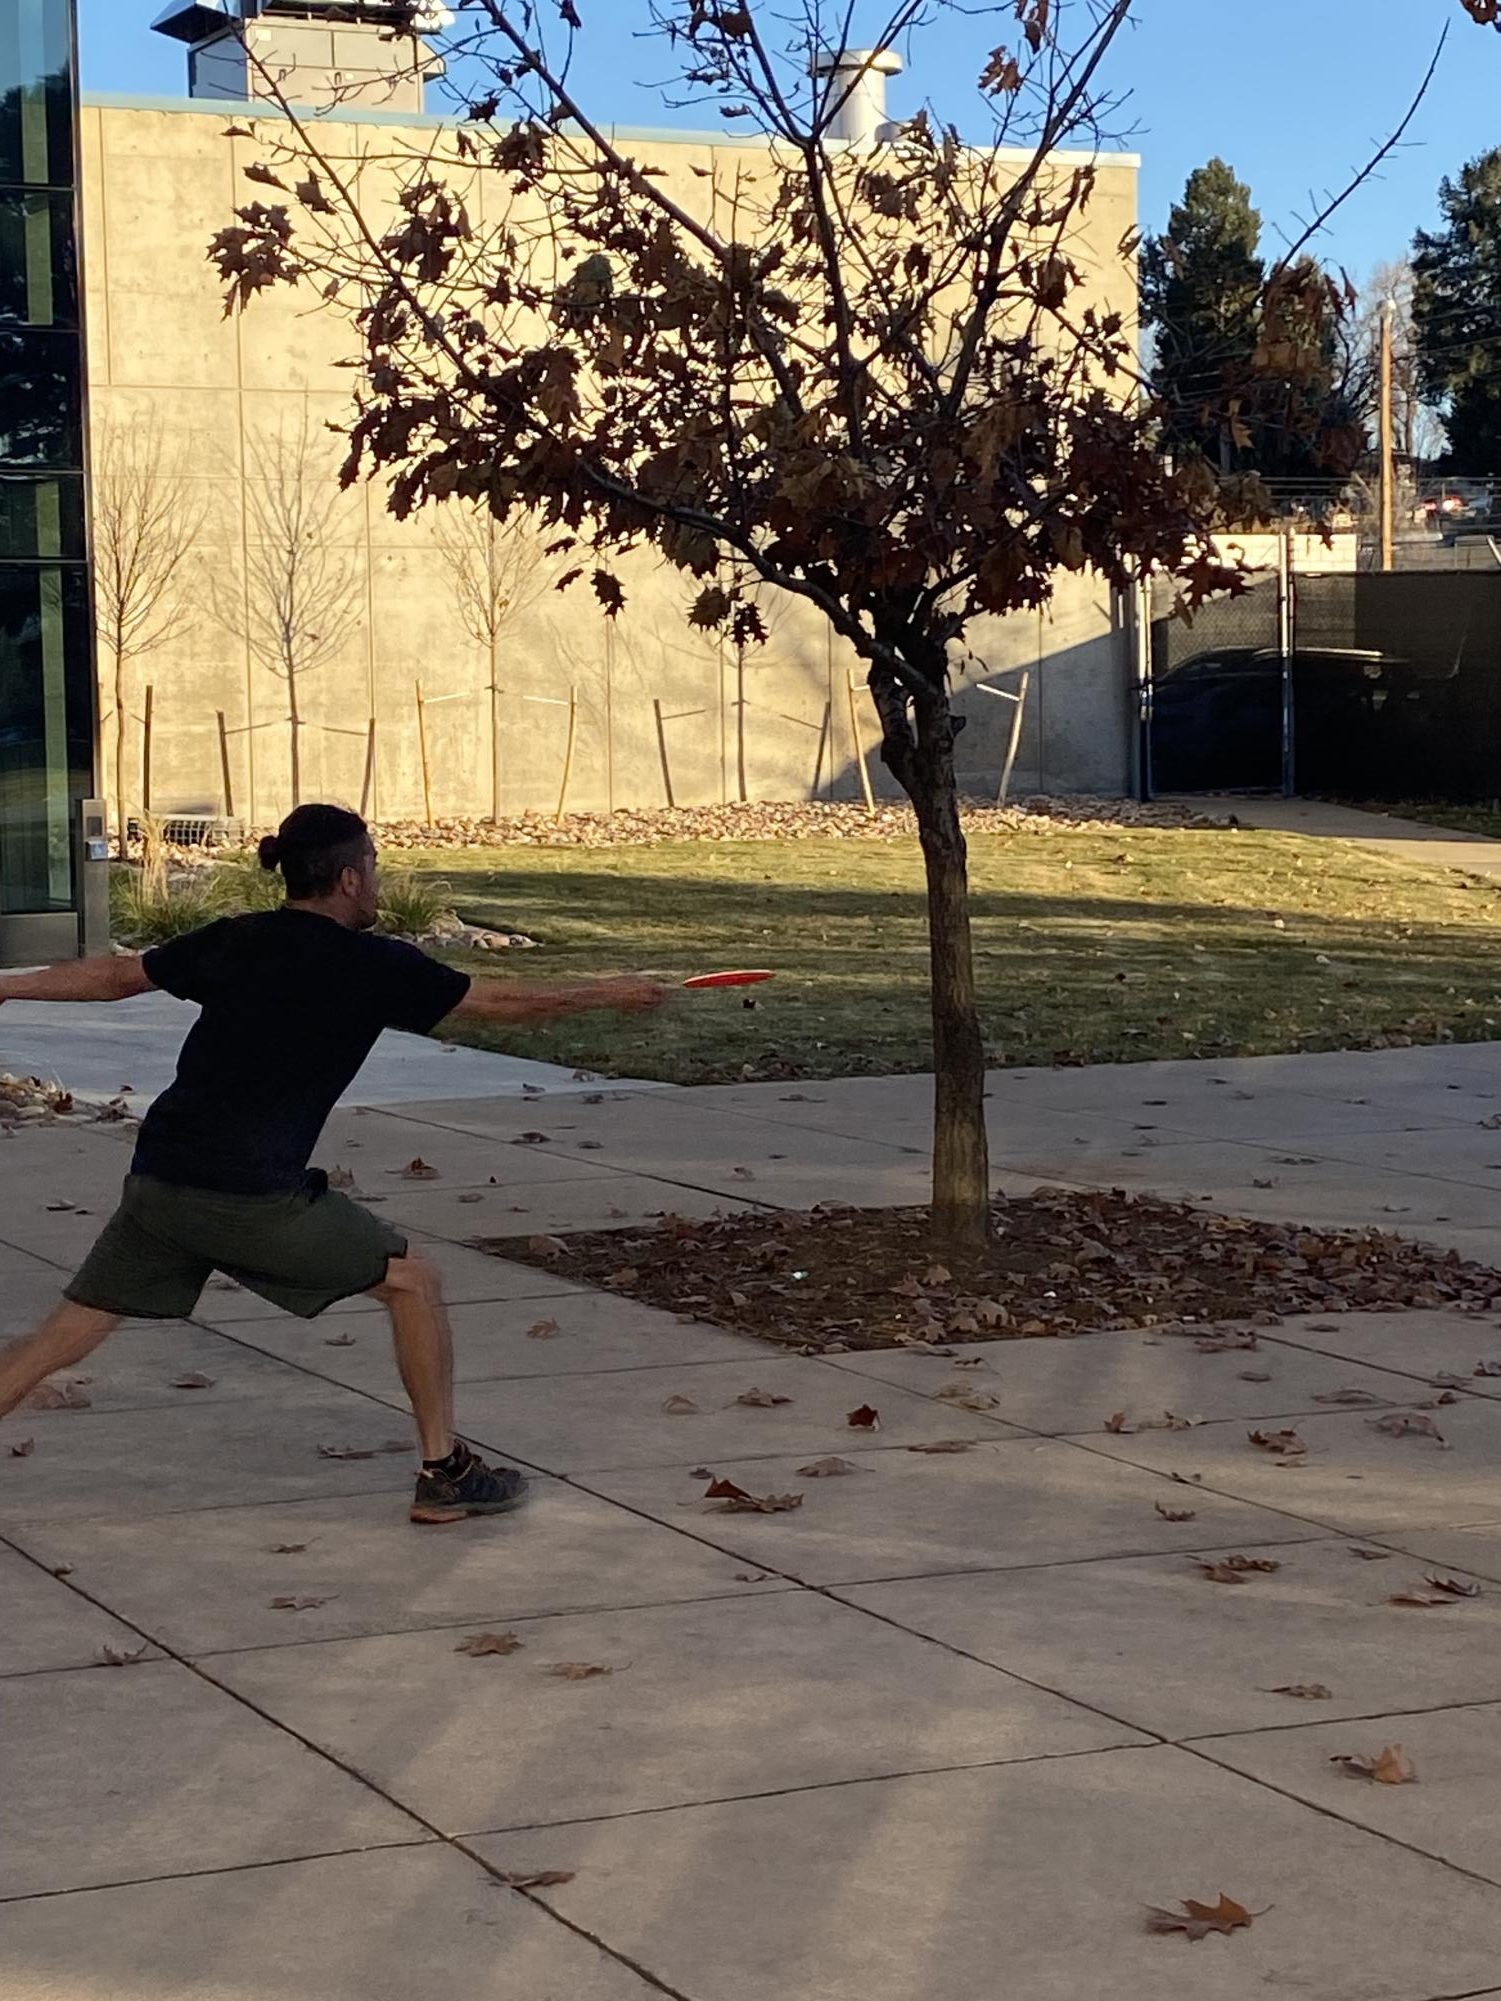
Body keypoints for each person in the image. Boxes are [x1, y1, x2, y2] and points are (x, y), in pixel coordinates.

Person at [0, 804, 669, 1524]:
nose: (379, 877)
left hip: (162, 1179)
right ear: (349, 877)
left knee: (58, 1340)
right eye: (374, 864)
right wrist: (608, 991)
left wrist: (7, 986)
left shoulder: (238, 939)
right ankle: (444, 1472)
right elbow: (500, 1003)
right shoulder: (371, 966)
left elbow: (115, 975)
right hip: (245, 1195)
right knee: (412, 1282)